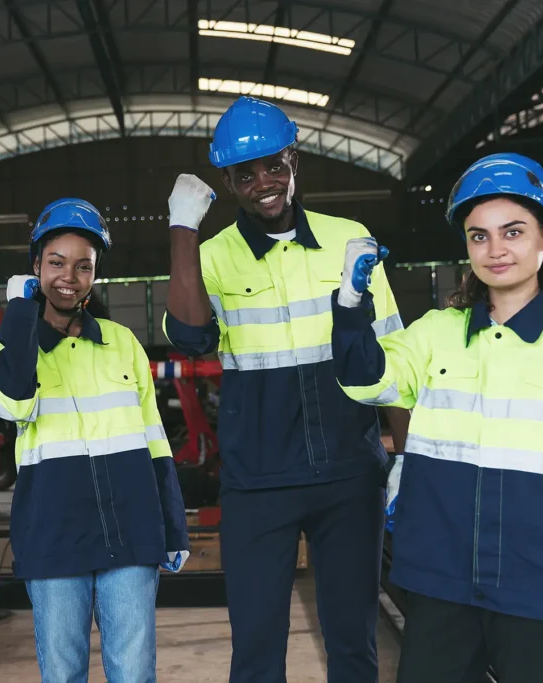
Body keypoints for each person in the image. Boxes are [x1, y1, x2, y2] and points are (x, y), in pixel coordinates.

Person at [161, 95, 411, 683]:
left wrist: (407, 460)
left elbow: (395, 355)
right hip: (258, 483)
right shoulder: (213, 257)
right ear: (228, 182)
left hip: (350, 476)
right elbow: (192, 338)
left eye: (274, 165)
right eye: (244, 174)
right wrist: (181, 230)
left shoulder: (350, 239)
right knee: (256, 650)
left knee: (354, 642)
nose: (263, 183)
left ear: (293, 160)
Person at [330, 152, 543, 683]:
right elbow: (364, 380)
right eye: (479, 235)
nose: (496, 249)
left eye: (513, 231)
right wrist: (349, 303)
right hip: (442, 579)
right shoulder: (437, 331)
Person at [0, 198, 190, 682]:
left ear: (96, 274)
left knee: (134, 670)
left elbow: (155, 439)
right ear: (36, 266)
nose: (68, 277)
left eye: (84, 266)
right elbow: (13, 401)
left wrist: (173, 524)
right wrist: (18, 312)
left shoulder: (122, 343)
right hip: (54, 536)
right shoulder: (13, 350)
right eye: (55, 262)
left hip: (131, 529)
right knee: (63, 672)